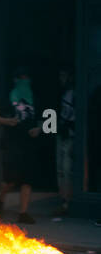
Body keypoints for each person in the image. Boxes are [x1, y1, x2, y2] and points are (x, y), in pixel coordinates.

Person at [0, 66, 42, 225]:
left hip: (29, 144)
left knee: (27, 179)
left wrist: (40, 129)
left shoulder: (36, 98)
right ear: (15, 80)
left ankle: (23, 213)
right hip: (12, 143)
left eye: (26, 78)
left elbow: (50, 118)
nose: (24, 81)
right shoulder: (7, 97)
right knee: (10, 179)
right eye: (21, 78)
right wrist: (8, 121)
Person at [54, 68, 74, 220]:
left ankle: (68, 202)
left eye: (64, 74)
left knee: (67, 169)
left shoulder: (74, 93)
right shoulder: (60, 93)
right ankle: (64, 201)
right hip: (61, 133)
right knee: (61, 169)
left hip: (71, 134)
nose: (61, 78)